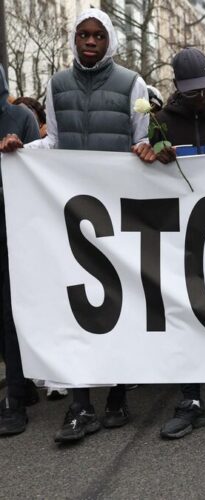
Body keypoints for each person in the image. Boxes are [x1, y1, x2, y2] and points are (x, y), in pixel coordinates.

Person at [1, 8, 152, 443]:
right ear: (74, 39)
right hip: (73, 212)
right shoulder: (57, 84)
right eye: (83, 35)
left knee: (123, 302)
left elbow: (139, 137)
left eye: (98, 35)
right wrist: (22, 149)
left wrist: (146, 150)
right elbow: (54, 140)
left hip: (120, 211)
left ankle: (119, 393)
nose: (90, 42)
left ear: (110, 41)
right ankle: (80, 403)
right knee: (80, 307)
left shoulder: (131, 83)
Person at [133, 47, 205, 439]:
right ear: (177, 88)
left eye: (204, 89)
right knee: (185, 311)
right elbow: (142, 170)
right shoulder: (162, 121)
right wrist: (149, 154)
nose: (199, 97)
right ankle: (190, 397)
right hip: (178, 237)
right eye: (191, 91)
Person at [0, 66, 41, 437]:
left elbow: (39, 169)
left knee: (13, 312)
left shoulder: (20, 117)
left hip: (14, 228)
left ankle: (14, 396)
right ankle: (21, 385)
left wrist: (19, 150)